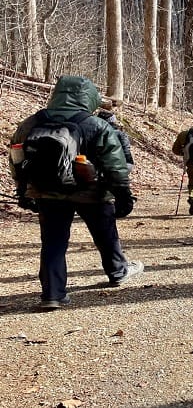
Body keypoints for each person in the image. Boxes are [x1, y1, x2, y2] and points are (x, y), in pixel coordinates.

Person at [9, 76, 142, 310]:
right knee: (105, 234)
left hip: (47, 192)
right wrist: (123, 195)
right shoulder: (96, 125)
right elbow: (115, 166)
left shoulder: (31, 122)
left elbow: (17, 159)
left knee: (53, 242)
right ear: (89, 97)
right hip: (93, 193)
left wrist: (23, 191)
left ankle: (53, 294)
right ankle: (118, 271)